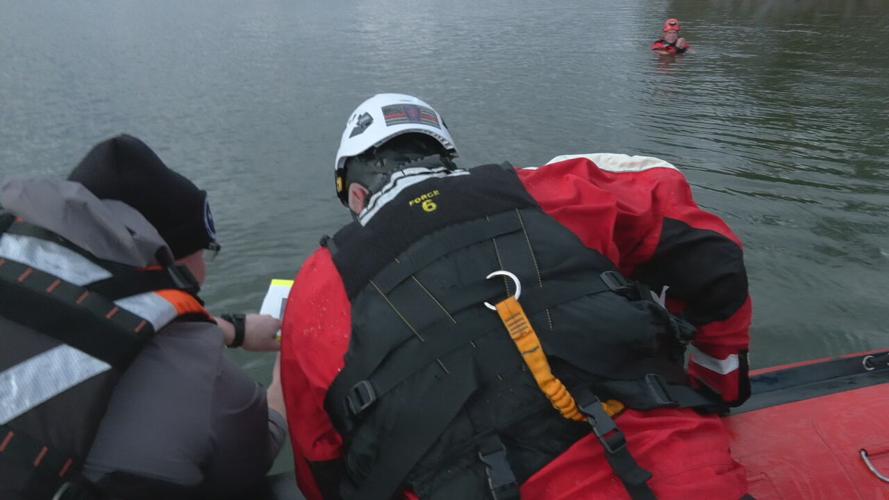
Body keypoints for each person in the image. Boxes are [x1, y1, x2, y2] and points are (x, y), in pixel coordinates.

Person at [280, 94, 752, 499]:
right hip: (683, 476)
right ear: (445, 159)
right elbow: (709, 251)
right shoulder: (546, 190)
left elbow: (319, 458)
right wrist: (718, 383)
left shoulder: (319, 285)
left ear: (357, 196)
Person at [0, 134, 286, 500]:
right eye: (204, 252)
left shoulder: (18, 264)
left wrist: (234, 329)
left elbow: (75, 315)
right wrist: (282, 388)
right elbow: (249, 458)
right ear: (172, 261)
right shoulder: (194, 368)